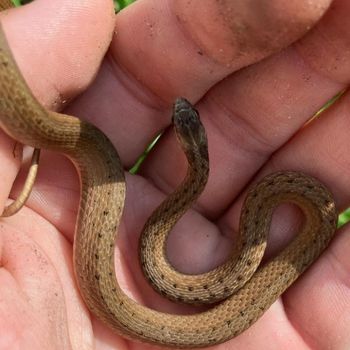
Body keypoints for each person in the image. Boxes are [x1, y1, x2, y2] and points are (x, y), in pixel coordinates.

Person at [0, 0, 349, 348]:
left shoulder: (268, 197)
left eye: (186, 121)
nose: (181, 112)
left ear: (188, 142)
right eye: (185, 121)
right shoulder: (204, 187)